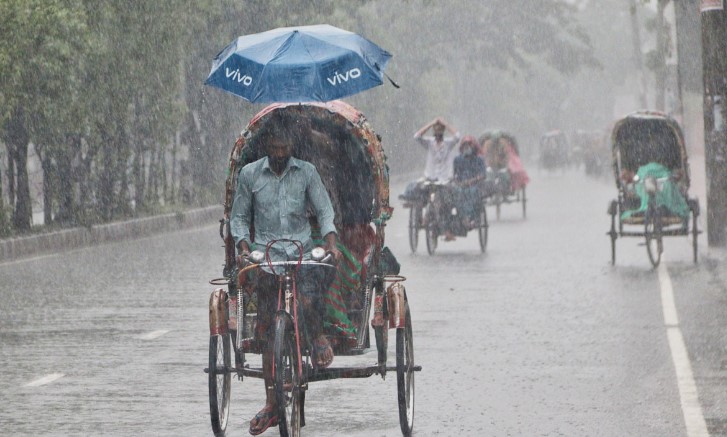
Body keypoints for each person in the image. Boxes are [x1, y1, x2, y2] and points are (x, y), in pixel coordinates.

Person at [230, 116, 342, 436]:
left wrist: (330, 243)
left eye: (285, 147)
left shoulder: (306, 172)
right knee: (267, 330)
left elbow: (324, 210)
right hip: (265, 253)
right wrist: (243, 245)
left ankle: (316, 334)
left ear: (292, 147)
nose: (280, 153)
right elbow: (239, 217)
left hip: (301, 250)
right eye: (275, 147)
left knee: (311, 290)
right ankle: (270, 401)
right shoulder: (250, 175)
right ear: (267, 147)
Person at [453, 136, 487, 229]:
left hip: (475, 185)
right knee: (457, 193)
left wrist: (473, 180)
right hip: (461, 185)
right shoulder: (457, 160)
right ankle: (462, 218)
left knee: (472, 193)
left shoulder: (479, 159)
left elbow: (483, 174)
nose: (467, 147)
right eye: (465, 145)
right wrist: (457, 182)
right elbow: (454, 174)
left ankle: (471, 217)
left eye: (469, 145)